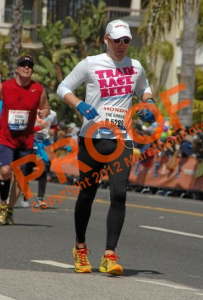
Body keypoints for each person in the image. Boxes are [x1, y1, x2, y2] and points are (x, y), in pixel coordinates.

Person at [57, 19, 156, 275]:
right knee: (87, 194)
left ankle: (109, 255)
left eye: (126, 41)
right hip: (92, 137)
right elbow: (63, 87)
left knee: (120, 194)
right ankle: (80, 248)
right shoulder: (90, 63)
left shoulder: (135, 67)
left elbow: (144, 88)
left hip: (122, 138)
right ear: (106, 39)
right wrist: (78, 104)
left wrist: (150, 104)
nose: (121, 45)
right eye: (117, 40)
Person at [0, 54, 50, 225]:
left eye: (29, 65)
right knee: (5, 171)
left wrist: (45, 112)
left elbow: (45, 106)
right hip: (6, 138)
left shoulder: (39, 89)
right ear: (17, 69)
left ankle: (10, 211)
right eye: (23, 65)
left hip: (26, 141)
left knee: (20, 179)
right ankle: (2, 205)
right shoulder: (5, 87)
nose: (26, 68)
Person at [20, 109, 58, 208]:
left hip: (45, 145)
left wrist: (53, 130)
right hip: (31, 142)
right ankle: (24, 195)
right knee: (27, 170)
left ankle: (40, 199)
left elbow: (54, 125)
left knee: (44, 170)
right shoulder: (31, 110)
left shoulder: (53, 114)